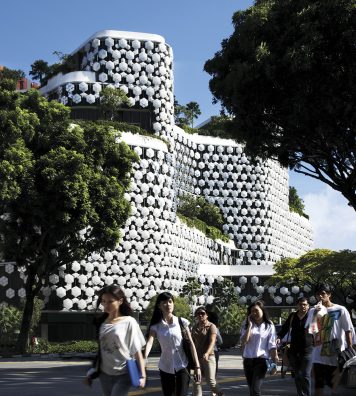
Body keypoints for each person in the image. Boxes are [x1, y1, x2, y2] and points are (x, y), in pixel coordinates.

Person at [85, 284, 146, 396]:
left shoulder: (129, 322)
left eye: (110, 301)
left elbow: (137, 350)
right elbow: (101, 351)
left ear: (120, 301)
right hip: (105, 374)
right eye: (103, 301)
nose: (106, 305)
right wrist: (92, 371)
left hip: (123, 373)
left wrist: (142, 375)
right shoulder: (102, 323)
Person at [144, 291, 201, 396]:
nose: (168, 304)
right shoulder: (156, 326)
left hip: (183, 366)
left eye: (170, 301)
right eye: (164, 302)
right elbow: (150, 342)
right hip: (165, 366)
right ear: (159, 306)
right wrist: (144, 357)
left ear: (173, 304)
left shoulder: (182, 322)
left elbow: (191, 344)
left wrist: (197, 367)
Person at [306, 284, 354, 396]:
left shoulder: (340, 309)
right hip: (318, 354)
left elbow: (348, 330)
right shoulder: (313, 310)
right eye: (318, 294)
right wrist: (315, 314)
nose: (320, 296)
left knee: (334, 386)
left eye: (323, 293)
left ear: (329, 294)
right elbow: (310, 330)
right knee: (318, 385)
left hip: (335, 354)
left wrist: (350, 349)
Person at [240, 300, 279, 396]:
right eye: (252, 311)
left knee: (255, 388)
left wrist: (274, 363)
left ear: (262, 310)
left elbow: (272, 345)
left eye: (256, 310)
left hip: (261, 361)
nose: (254, 313)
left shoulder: (269, 325)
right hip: (248, 360)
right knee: (252, 390)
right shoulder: (246, 324)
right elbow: (244, 341)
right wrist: (249, 325)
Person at [277, 297, 313, 396]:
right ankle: (300, 394)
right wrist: (279, 336)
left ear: (308, 306)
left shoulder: (311, 316)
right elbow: (284, 328)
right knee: (297, 375)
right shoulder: (293, 316)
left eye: (305, 304)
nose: (303, 306)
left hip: (308, 350)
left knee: (305, 375)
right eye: (301, 304)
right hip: (294, 350)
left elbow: (317, 330)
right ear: (297, 305)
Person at [191, 306, 224, 396]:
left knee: (211, 382)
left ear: (207, 315)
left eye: (202, 313)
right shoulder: (194, 327)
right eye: (198, 313)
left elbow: (213, 341)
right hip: (197, 358)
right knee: (197, 382)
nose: (200, 315)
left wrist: (207, 353)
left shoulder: (211, 326)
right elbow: (192, 342)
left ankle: (221, 394)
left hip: (209, 357)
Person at [208, 311, 223, 376]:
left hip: (201, 352)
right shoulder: (215, 328)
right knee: (213, 375)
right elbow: (220, 341)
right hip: (214, 351)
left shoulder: (199, 327)